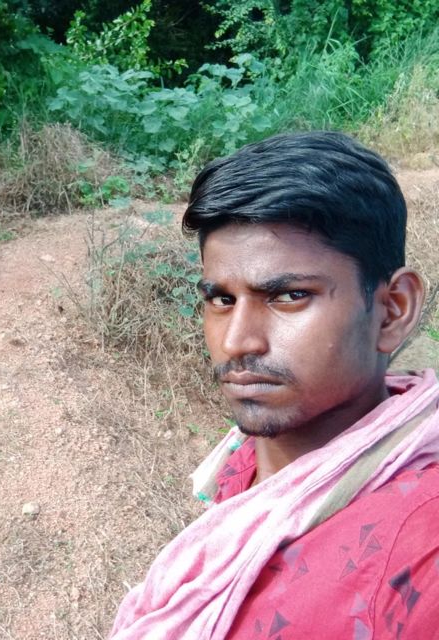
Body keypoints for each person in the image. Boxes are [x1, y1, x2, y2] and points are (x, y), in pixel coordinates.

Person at [109, 131, 439, 639]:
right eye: (221, 300)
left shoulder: (421, 550)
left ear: (392, 310)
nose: (237, 341)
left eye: (288, 296)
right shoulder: (246, 458)